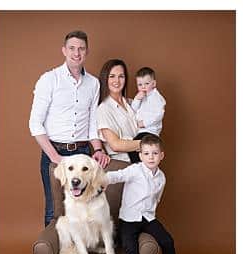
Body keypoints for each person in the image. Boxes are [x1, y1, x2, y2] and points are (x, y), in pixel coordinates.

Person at [30, 30, 111, 226]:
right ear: (64, 50)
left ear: (87, 52)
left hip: (83, 152)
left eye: (81, 48)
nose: (77, 53)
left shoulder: (93, 84)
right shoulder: (49, 79)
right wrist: (55, 157)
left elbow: (92, 122)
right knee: (54, 209)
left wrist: (98, 149)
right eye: (72, 48)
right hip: (54, 151)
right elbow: (35, 123)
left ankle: (80, 253)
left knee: (84, 209)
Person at [104, 135, 186, 254]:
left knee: (167, 241)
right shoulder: (135, 170)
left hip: (148, 217)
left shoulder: (161, 178)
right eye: (147, 153)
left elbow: (157, 199)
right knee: (130, 247)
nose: (151, 157)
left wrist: (151, 214)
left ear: (161, 155)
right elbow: (116, 176)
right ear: (140, 155)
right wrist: (101, 180)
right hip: (129, 218)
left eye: (155, 153)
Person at [95, 58, 144, 163]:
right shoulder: (103, 109)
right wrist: (148, 144)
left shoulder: (132, 103)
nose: (117, 81)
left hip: (144, 161)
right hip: (124, 165)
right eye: (112, 76)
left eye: (121, 76)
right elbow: (115, 145)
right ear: (105, 79)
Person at [131, 66, 166, 137]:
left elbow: (158, 114)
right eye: (140, 84)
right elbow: (132, 110)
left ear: (153, 84)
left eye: (146, 84)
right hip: (139, 130)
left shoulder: (156, 97)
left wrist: (144, 123)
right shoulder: (140, 96)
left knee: (140, 145)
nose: (143, 87)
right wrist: (137, 99)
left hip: (150, 131)